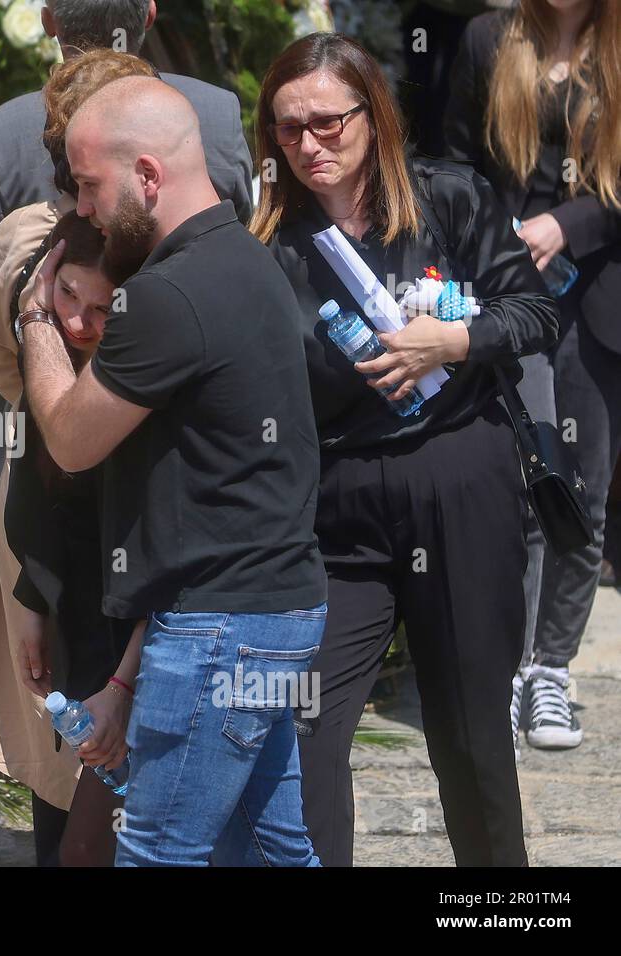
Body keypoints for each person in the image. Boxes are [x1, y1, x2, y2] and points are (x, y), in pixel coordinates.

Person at [254, 32, 559, 866]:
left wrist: (451, 341)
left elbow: (536, 315)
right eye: (288, 130)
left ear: (374, 116)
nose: (309, 145)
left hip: (458, 475)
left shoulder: (449, 199)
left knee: (468, 734)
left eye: (328, 123)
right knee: (304, 724)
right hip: (336, 498)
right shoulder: (271, 244)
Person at [19, 75, 329, 866]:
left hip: (219, 626)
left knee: (158, 851)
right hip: (275, 613)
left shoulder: (163, 296)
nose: (82, 208)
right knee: (270, 851)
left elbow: (70, 439)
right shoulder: (245, 260)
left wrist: (36, 329)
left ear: (148, 176)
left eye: (90, 185)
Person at [0, 50, 159, 868]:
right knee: (60, 723)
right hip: (49, 505)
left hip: (137, 522)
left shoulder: (162, 248)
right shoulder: (35, 237)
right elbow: (2, 365)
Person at [0, 0, 253, 486]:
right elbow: (231, 236)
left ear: (48, 18)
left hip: (44, 435)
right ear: (151, 13)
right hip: (186, 433)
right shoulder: (215, 111)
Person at [444, 0, 621, 754]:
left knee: (582, 491)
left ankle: (553, 668)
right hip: (509, 295)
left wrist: (568, 224)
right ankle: (508, 666)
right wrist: (489, 239)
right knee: (524, 484)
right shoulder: (490, 37)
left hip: (600, 301)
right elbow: (451, 163)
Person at [5, 211, 139, 866]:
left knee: (104, 825)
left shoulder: (139, 379)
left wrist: (123, 682)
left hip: (134, 626)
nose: (80, 323)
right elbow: (33, 499)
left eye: (102, 308)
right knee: (63, 802)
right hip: (72, 608)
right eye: (67, 297)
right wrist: (32, 603)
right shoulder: (48, 359)